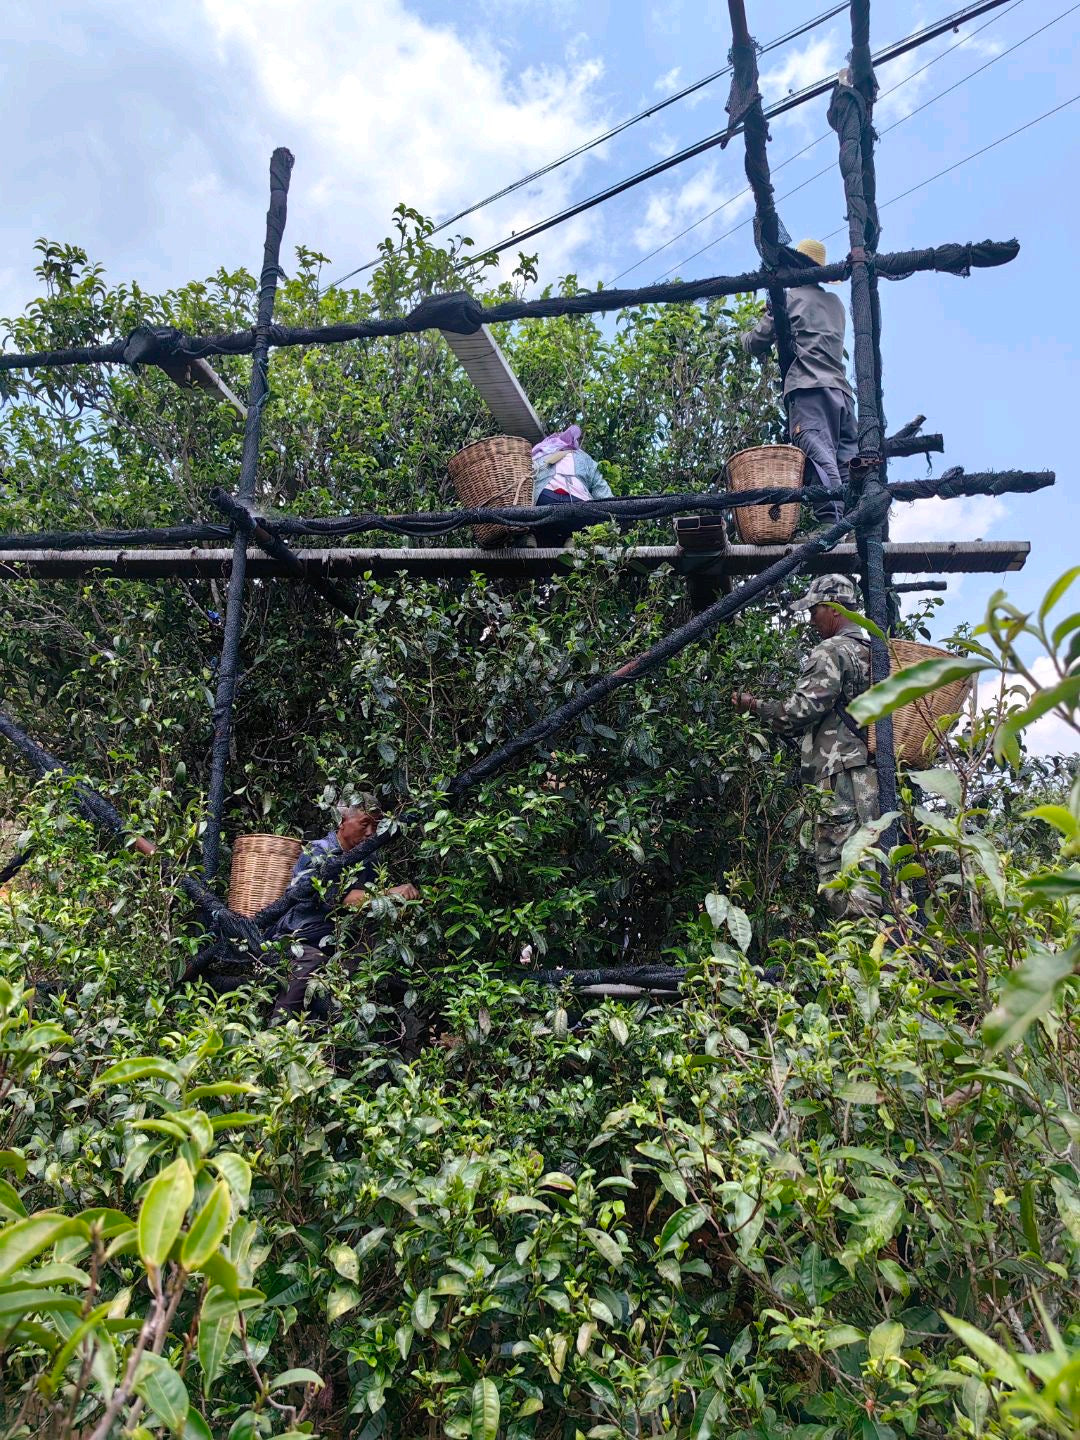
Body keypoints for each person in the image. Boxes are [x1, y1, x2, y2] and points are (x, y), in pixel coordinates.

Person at [731, 574, 880, 920]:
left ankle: (863, 955)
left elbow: (799, 711)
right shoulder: (876, 653)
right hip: (873, 774)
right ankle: (893, 955)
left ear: (833, 609)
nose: (812, 620)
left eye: (814, 612)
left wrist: (754, 706)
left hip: (841, 773)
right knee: (876, 858)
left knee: (843, 866)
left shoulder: (832, 651)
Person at [266, 796, 419, 1018]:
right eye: (365, 824)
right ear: (342, 821)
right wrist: (388, 894)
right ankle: (276, 1030)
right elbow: (340, 897)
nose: (370, 833)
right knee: (310, 961)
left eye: (376, 826)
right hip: (296, 938)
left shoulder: (368, 859)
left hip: (338, 944)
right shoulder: (318, 852)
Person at [740, 239, 857, 526]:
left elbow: (755, 342)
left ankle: (832, 525)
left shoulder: (790, 299)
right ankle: (855, 523)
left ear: (794, 267)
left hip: (809, 388)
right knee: (846, 465)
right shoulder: (836, 304)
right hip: (841, 393)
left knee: (817, 453)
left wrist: (744, 335)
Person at [530, 424, 613, 545]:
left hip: (544, 501)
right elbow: (606, 497)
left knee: (531, 513)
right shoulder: (585, 458)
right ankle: (575, 537)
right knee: (588, 518)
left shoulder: (539, 453)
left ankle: (530, 536)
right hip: (579, 507)